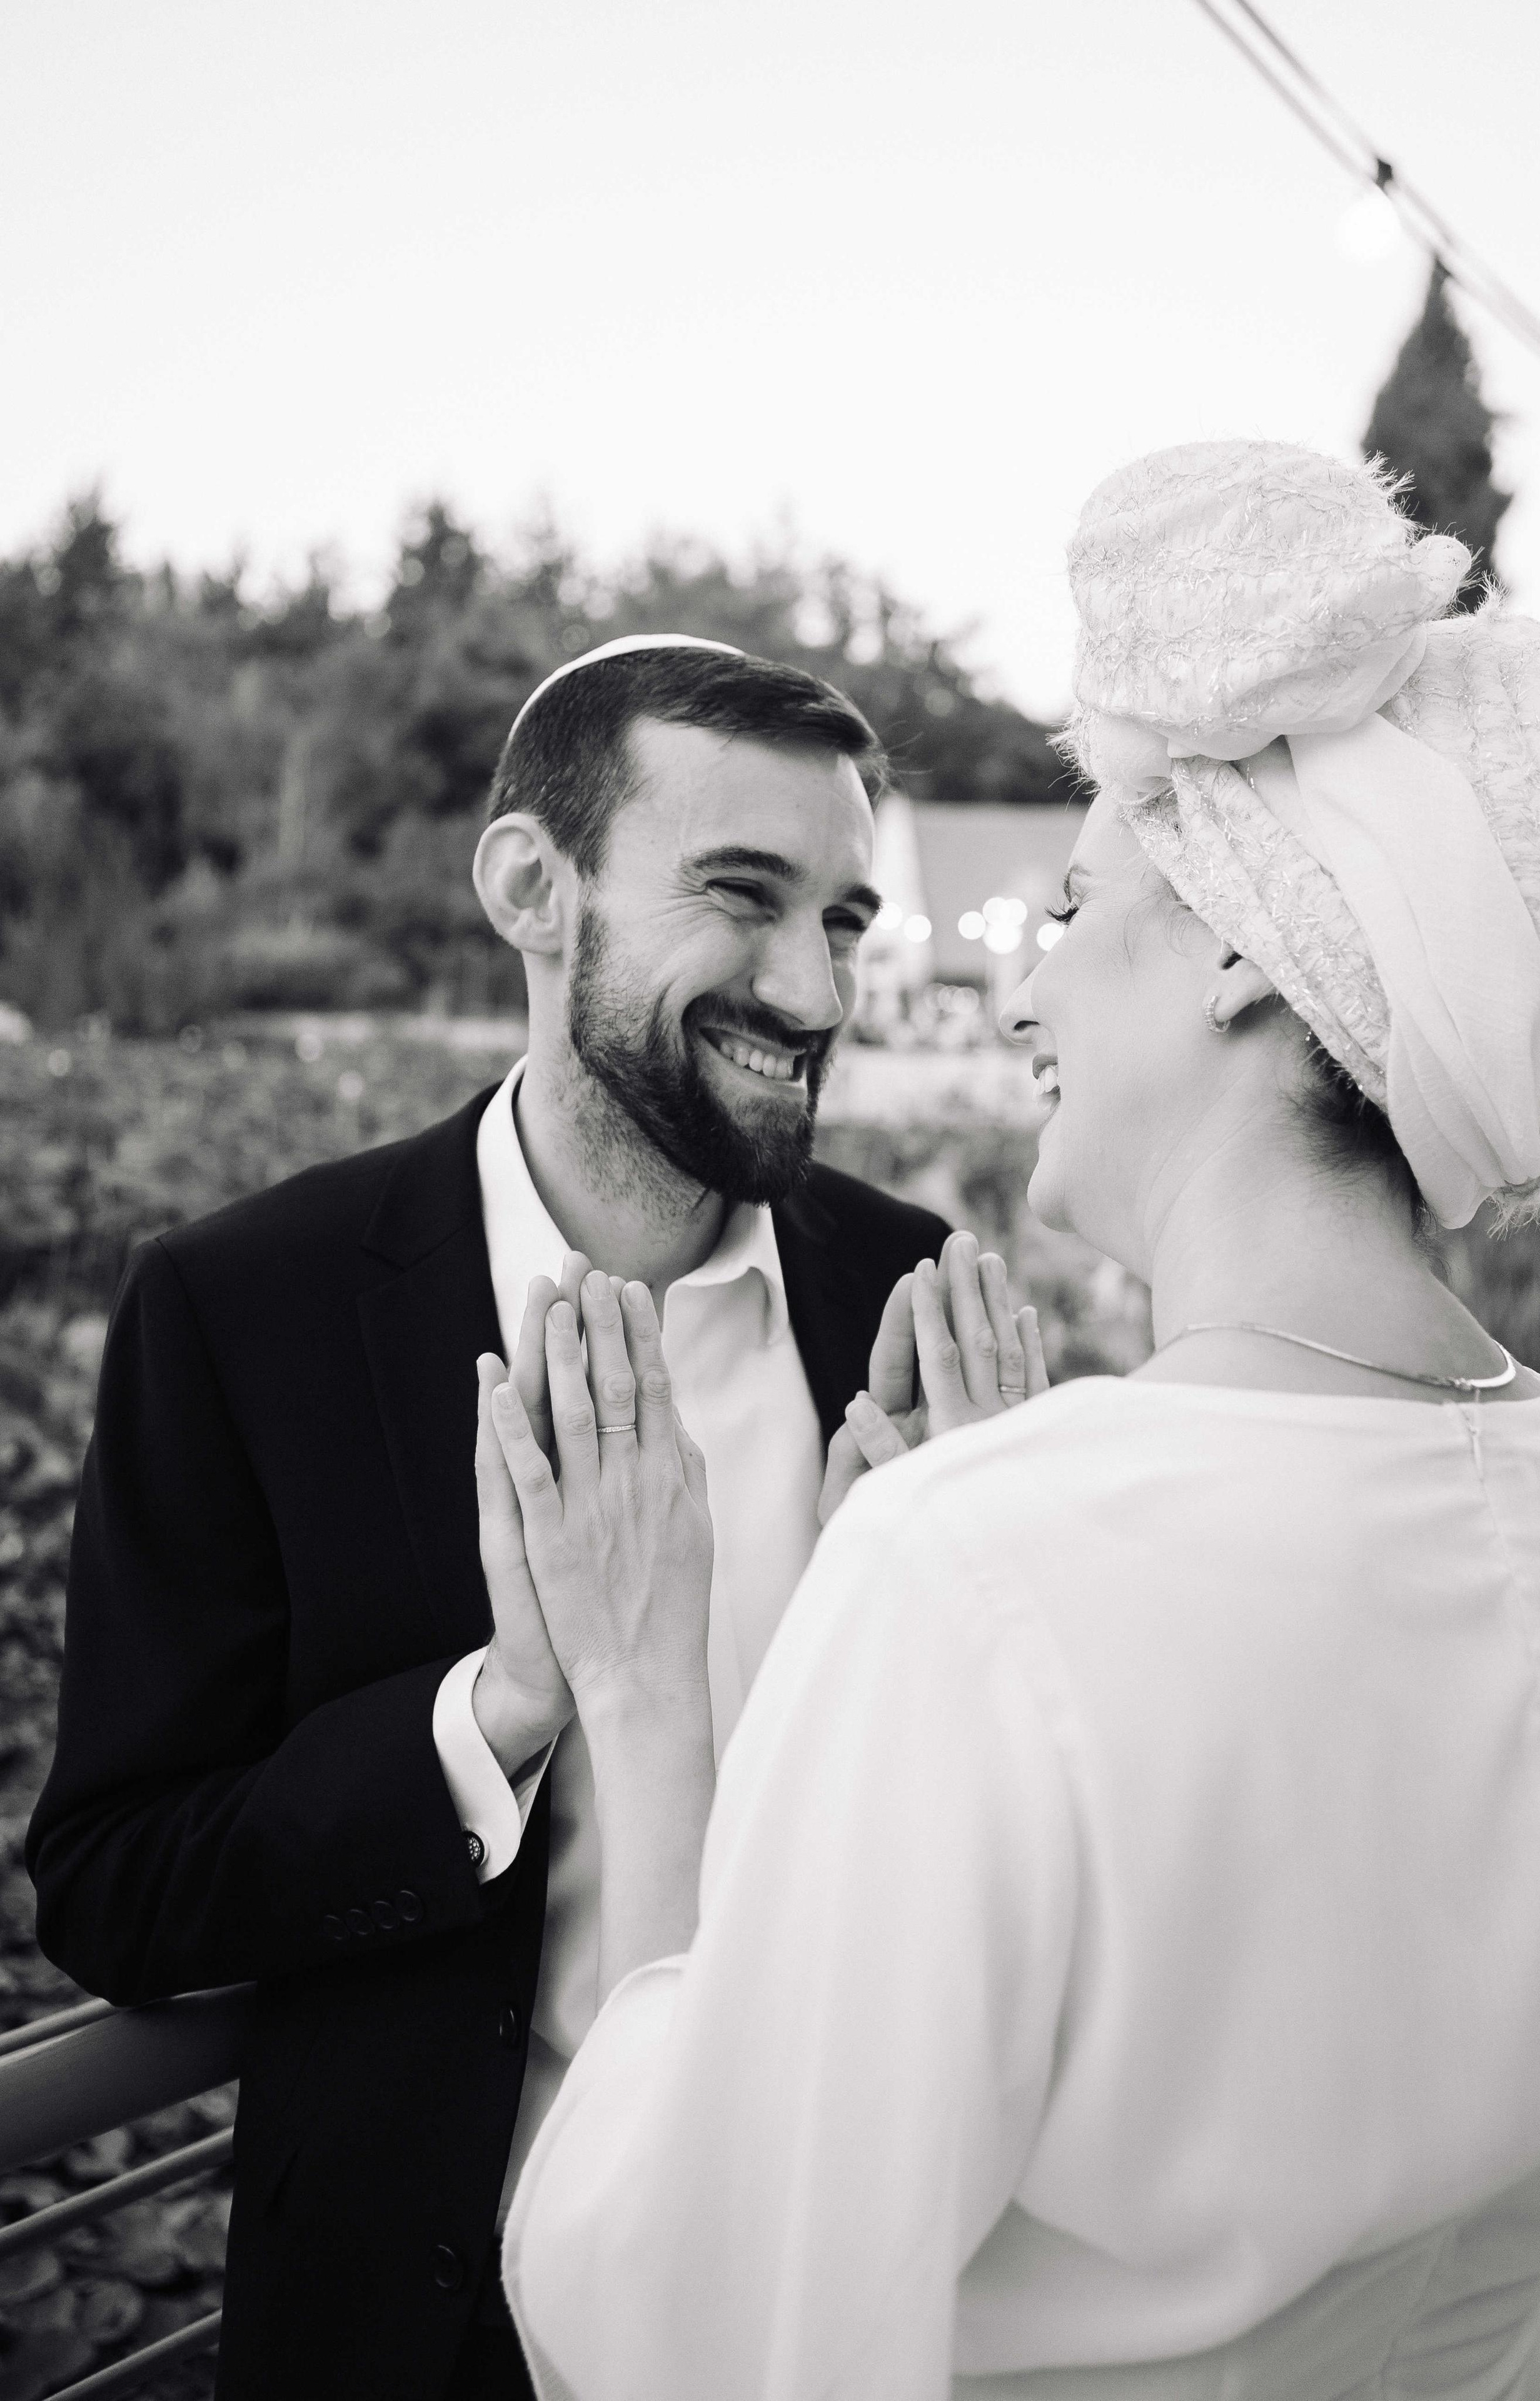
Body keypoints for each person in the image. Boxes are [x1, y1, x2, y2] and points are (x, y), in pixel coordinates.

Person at [486, 445, 1540, 2398]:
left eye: (1079, 900)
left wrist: (649, 1705)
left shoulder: (971, 1566)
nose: (1028, 989)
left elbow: (690, 2334)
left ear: (1252, 952)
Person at [26, 636, 970, 2401]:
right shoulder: (248, 1310)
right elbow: (115, 1882)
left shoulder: (915, 1303)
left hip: (838, 2301)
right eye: (743, 897)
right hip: (419, 2333)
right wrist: (503, 1711)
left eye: (844, 920)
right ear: (533, 890)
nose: (819, 991)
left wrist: (938, 1624)